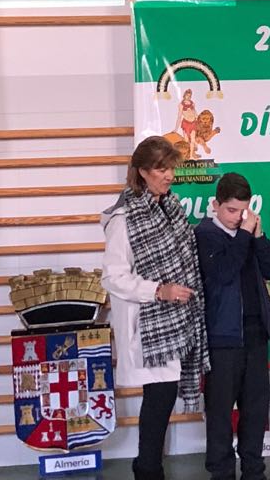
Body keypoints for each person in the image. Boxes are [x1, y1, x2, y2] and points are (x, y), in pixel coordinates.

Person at [101, 135, 210, 480]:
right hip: (150, 327)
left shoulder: (171, 207)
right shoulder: (123, 218)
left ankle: (148, 467)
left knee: (162, 400)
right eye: (161, 169)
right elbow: (113, 277)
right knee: (159, 399)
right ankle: (147, 469)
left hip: (177, 321)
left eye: (170, 167)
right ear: (142, 172)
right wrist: (158, 291)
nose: (169, 175)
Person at [195, 172, 270, 480]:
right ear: (216, 205)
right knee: (219, 413)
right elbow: (223, 274)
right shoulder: (205, 233)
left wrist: (257, 237)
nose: (237, 217)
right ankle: (221, 473)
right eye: (231, 210)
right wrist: (245, 235)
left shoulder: (249, 233)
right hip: (223, 338)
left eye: (242, 210)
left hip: (255, 335)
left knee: (255, 411)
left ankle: (254, 471)